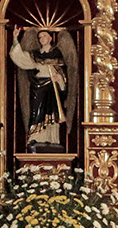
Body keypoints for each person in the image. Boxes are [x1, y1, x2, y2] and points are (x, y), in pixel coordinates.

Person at [10, 23, 73, 152]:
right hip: (38, 87)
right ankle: (36, 137)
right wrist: (15, 39)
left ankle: (52, 139)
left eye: (44, 36)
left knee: (52, 112)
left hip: (52, 87)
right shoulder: (35, 54)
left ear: (50, 38)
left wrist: (59, 78)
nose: (41, 39)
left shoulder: (56, 53)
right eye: (39, 37)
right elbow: (20, 58)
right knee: (37, 111)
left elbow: (63, 72)